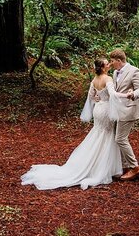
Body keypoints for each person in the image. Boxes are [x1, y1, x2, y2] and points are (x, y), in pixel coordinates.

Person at [20, 58, 123, 190]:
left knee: (98, 133)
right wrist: (125, 96)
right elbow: (113, 94)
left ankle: (96, 163)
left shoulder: (95, 80)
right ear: (103, 67)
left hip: (98, 109)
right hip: (106, 110)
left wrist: (98, 98)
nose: (109, 64)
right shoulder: (107, 79)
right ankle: (102, 167)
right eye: (107, 63)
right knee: (106, 135)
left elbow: (91, 96)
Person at [108, 48, 139, 181]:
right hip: (117, 110)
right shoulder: (114, 73)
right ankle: (124, 166)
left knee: (120, 139)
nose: (111, 64)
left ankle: (135, 168)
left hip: (129, 109)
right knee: (117, 138)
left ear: (119, 60)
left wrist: (133, 94)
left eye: (112, 61)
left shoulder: (134, 71)